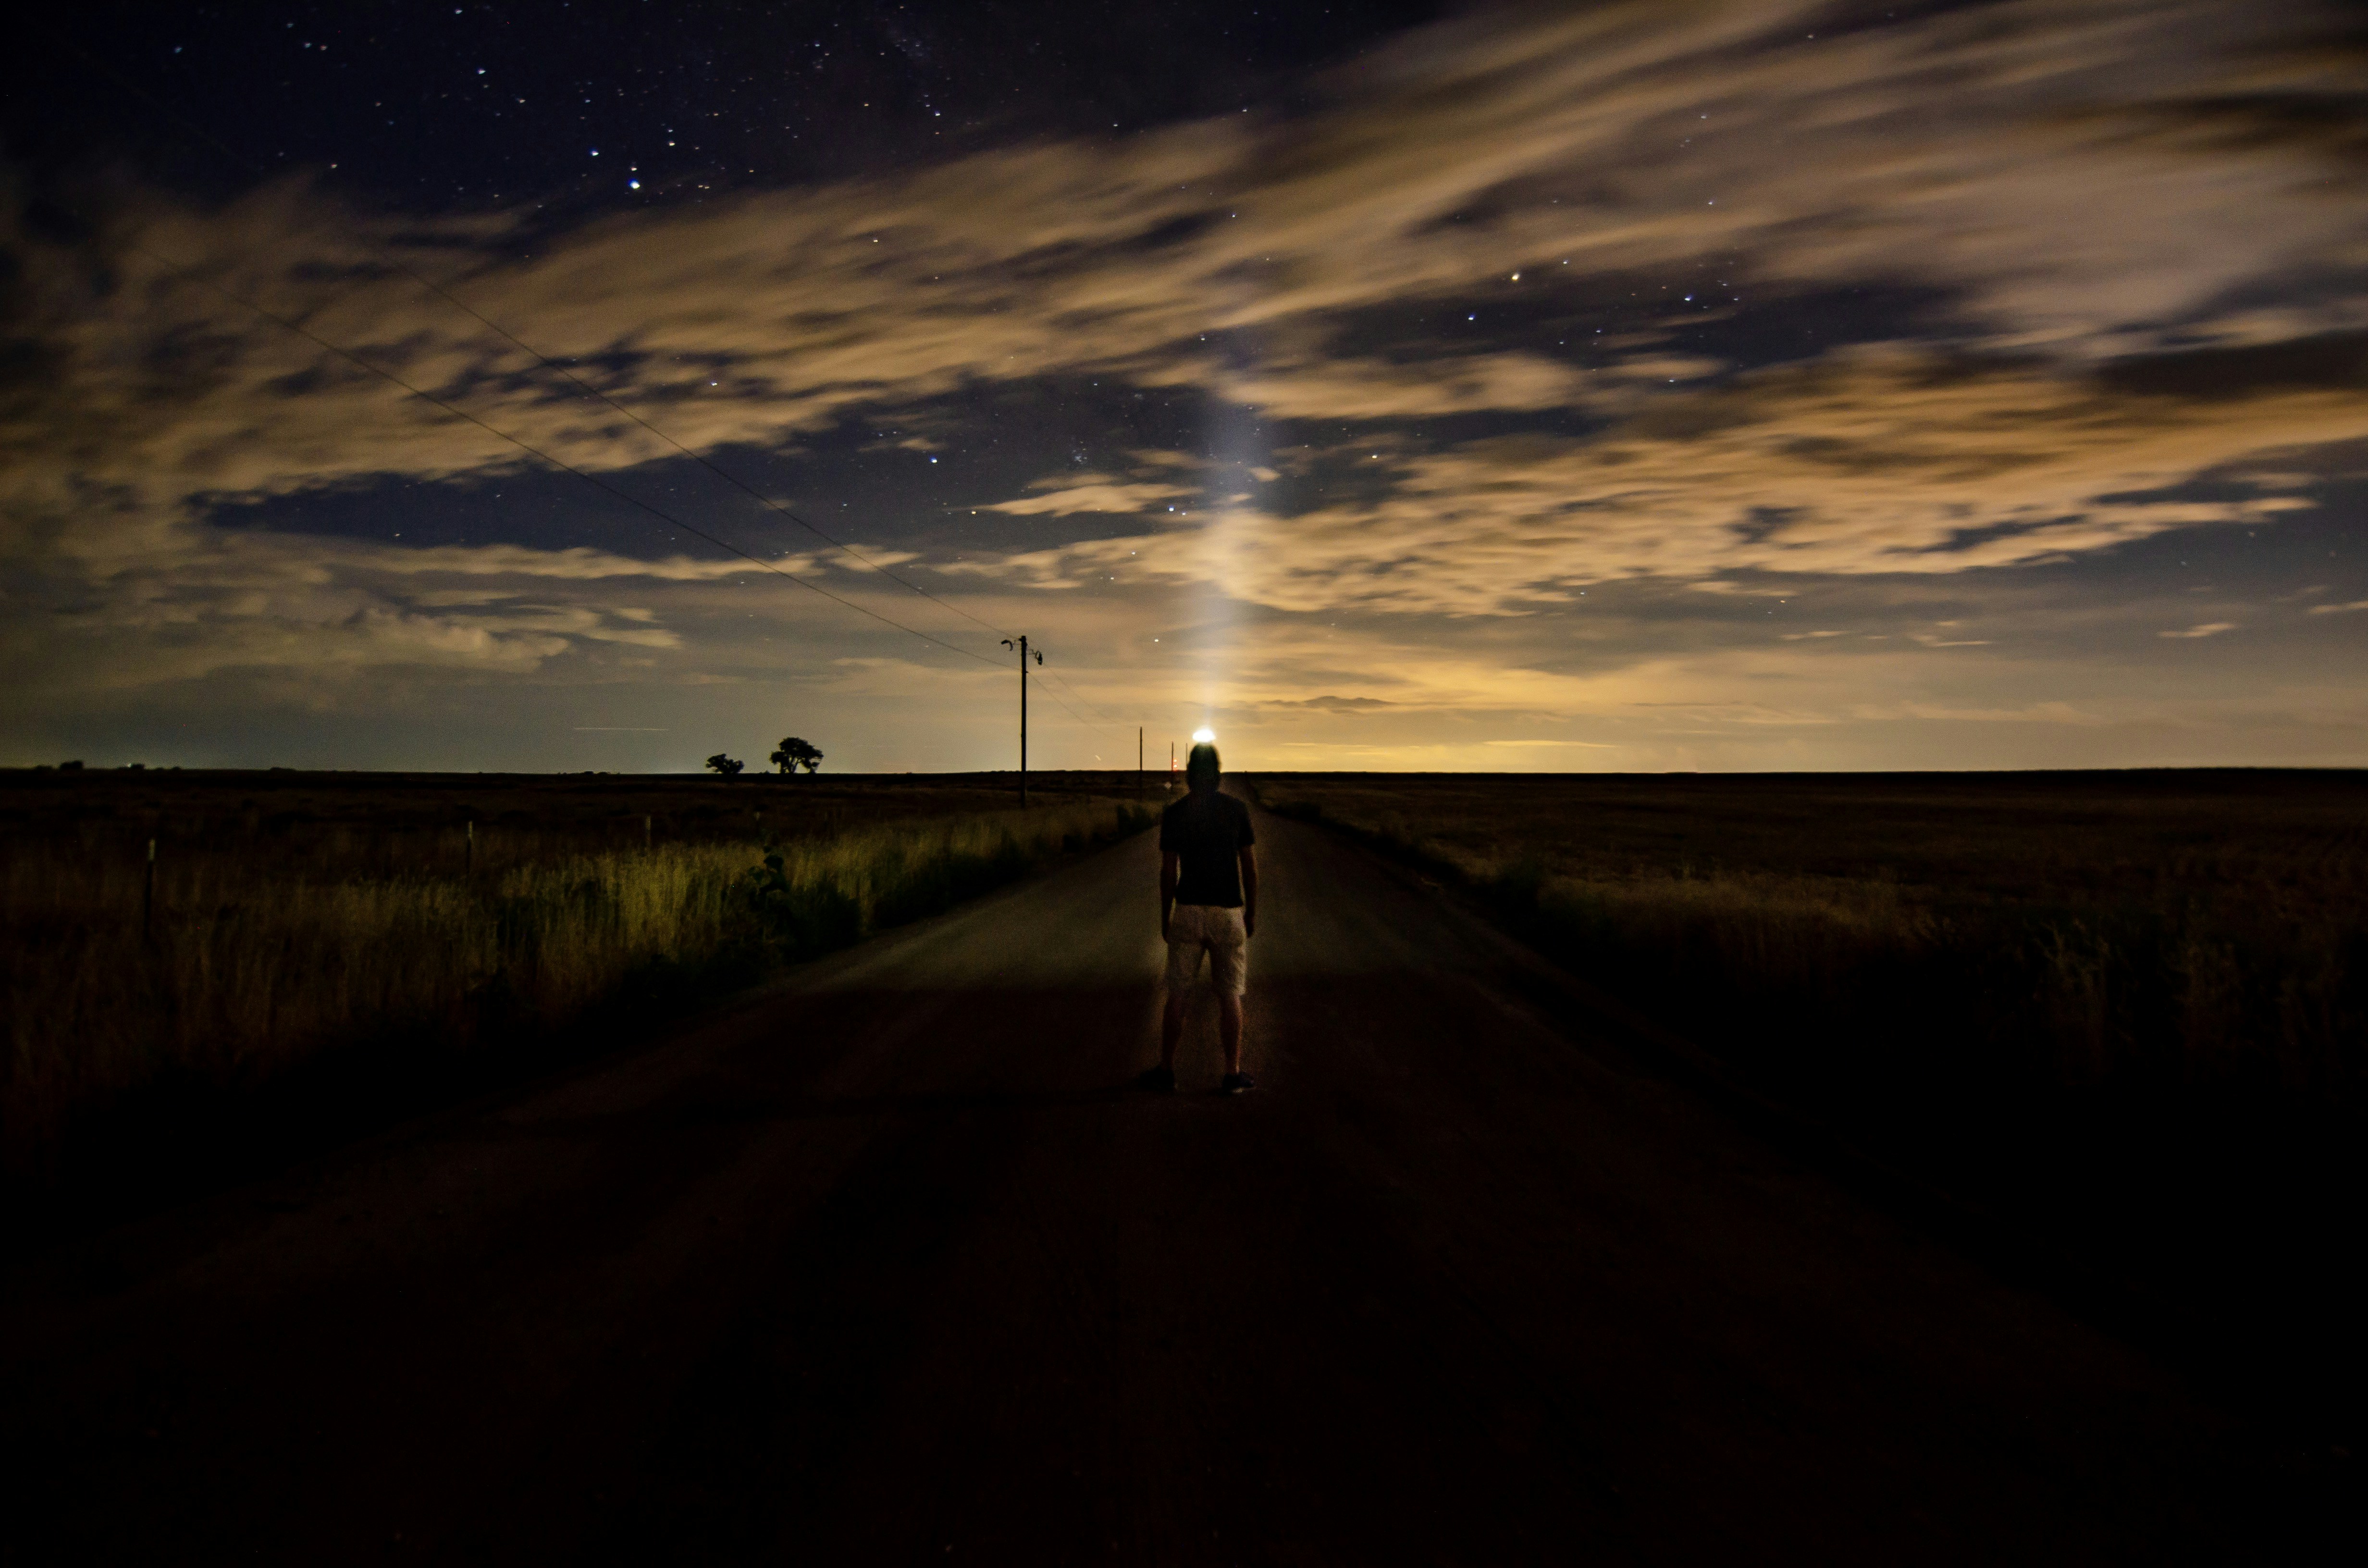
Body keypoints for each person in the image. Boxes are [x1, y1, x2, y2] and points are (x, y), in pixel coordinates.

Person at [1140, 740, 1258, 1094]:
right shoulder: (1237, 811)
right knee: (1231, 995)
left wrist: (1166, 916)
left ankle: (1166, 1072)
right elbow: (1250, 869)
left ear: (1190, 775)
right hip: (1228, 912)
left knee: (1178, 993)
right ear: (1219, 775)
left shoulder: (1176, 813)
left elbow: (1167, 872)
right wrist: (1251, 913)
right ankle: (1232, 1074)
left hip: (1188, 911)